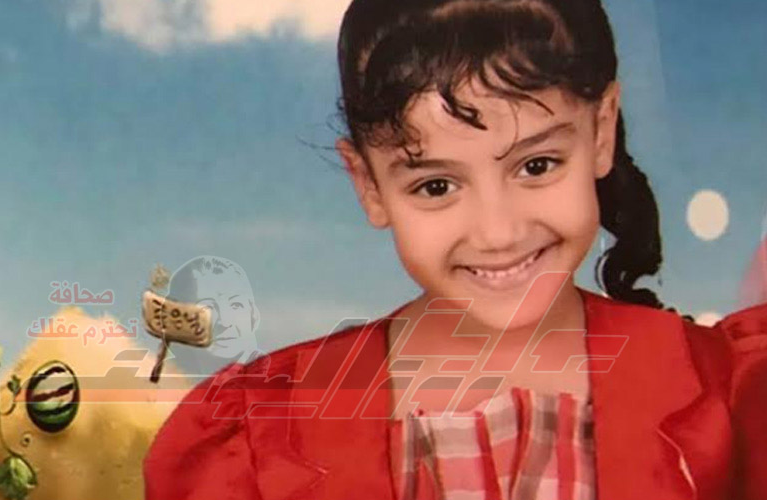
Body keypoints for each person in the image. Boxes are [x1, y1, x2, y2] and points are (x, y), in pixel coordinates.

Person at [142, 1, 767, 499]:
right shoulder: (260, 431)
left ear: (601, 129)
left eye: (537, 165)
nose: (497, 232)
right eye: (437, 186)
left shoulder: (732, 399)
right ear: (368, 184)